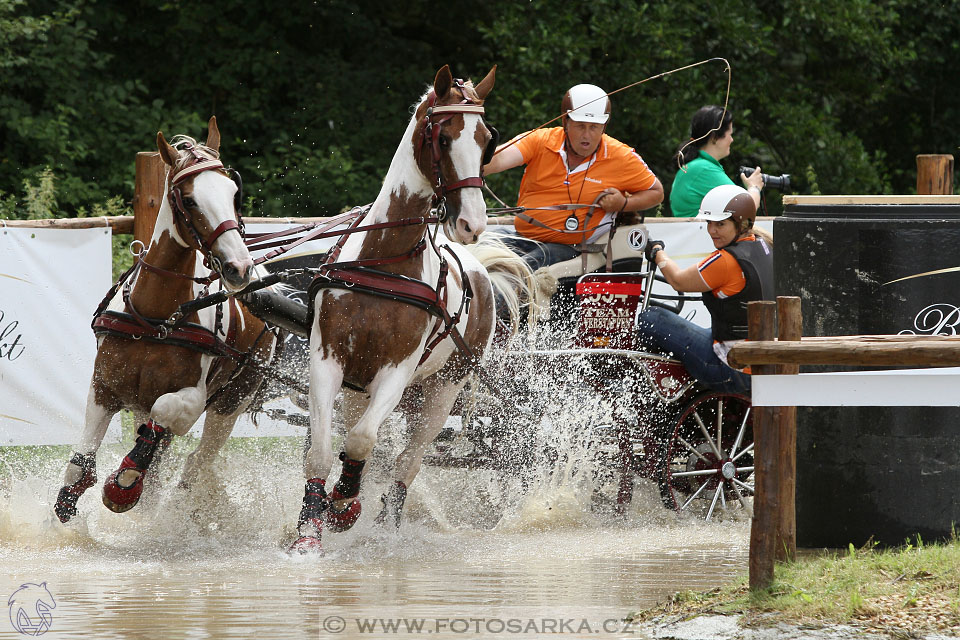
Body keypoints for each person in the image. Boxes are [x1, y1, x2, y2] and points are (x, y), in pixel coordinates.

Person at [483, 83, 664, 271]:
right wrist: (472, 163)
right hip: (524, 237)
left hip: (576, 248)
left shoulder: (622, 156)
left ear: (604, 126)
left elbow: (656, 192)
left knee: (520, 268)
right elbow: (498, 159)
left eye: (594, 127)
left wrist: (623, 204)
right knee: (481, 250)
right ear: (566, 122)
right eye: (580, 126)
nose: (587, 135)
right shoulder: (540, 140)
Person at [637, 184, 773, 394]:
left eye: (720, 224)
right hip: (759, 359)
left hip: (730, 366)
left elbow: (679, 281)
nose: (711, 231)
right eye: (709, 223)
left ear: (741, 223)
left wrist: (657, 252)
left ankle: (652, 391)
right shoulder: (764, 245)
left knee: (651, 317)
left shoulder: (726, 260)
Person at [669, 105, 764, 218]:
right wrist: (754, 187)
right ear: (714, 137)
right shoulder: (703, 169)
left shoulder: (695, 166)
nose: (732, 140)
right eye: (730, 134)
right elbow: (746, 208)